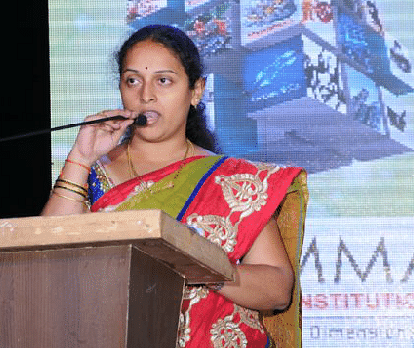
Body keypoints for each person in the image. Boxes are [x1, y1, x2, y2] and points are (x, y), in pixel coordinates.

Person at [41, 24, 305, 347]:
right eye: (132, 80)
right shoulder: (93, 174)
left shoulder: (232, 180)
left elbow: (278, 290)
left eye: (163, 81)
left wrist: (204, 267)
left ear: (196, 91)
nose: (145, 95)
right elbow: (47, 260)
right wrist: (81, 157)